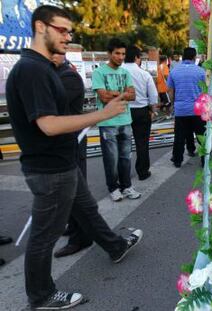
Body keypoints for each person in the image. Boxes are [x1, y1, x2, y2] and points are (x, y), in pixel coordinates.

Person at [6, 5, 143, 310]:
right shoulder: (32, 69)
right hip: (49, 169)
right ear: (41, 27)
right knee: (46, 235)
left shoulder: (43, 67)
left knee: (87, 210)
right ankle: (41, 295)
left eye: (70, 31)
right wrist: (102, 114)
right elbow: (49, 124)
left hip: (62, 164)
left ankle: (116, 245)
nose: (68, 37)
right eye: (62, 30)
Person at [51, 54, 93, 258]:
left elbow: (51, 106)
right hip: (63, 141)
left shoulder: (68, 77)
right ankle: (76, 227)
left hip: (71, 141)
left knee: (75, 190)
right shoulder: (56, 74)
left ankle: (80, 236)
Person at [92, 38, 141, 202]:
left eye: (123, 54)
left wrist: (114, 93)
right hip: (107, 123)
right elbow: (104, 97)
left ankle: (126, 186)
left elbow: (133, 96)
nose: (121, 57)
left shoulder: (125, 73)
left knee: (126, 157)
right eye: (117, 53)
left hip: (125, 120)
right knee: (111, 159)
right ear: (109, 54)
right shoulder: (99, 72)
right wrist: (122, 94)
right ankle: (113, 188)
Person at [123, 46, 158, 181]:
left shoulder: (119, 72)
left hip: (123, 111)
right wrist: (152, 111)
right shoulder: (144, 74)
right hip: (141, 111)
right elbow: (153, 96)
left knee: (122, 144)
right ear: (137, 58)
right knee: (141, 143)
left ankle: (123, 175)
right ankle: (143, 172)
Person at [167, 47, 206, 168]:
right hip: (198, 109)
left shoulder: (174, 71)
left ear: (183, 57)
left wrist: (173, 104)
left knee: (179, 136)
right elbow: (205, 90)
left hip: (181, 109)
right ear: (194, 58)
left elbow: (170, 91)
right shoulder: (201, 71)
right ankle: (205, 159)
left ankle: (177, 160)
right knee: (201, 136)